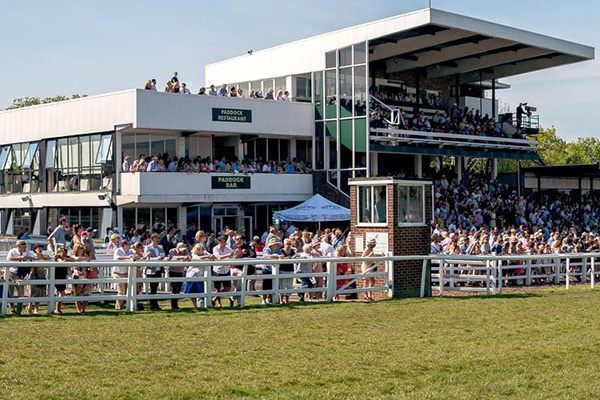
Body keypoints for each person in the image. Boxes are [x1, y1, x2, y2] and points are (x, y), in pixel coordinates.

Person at [6, 240, 34, 314]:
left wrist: (27, 257)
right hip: (12, 273)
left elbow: (34, 258)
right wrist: (19, 258)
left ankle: (19, 310)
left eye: (25, 246)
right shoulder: (12, 251)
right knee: (10, 292)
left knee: (21, 293)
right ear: (18, 246)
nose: (25, 248)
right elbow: (8, 259)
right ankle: (12, 309)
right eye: (23, 246)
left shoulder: (27, 252)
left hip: (21, 274)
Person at [187, 243, 215, 308]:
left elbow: (211, 255)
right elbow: (197, 259)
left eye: (202, 249)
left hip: (202, 276)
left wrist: (212, 256)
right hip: (193, 275)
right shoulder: (193, 255)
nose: (202, 250)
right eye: (200, 249)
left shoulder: (205, 253)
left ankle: (201, 305)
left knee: (201, 291)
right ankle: (195, 306)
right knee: (193, 292)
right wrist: (207, 257)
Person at [230, 234, 255, 307]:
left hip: (241, 268)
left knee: (240, 285)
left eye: (237, 239)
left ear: (242, 240)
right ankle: (233, 299)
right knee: (234, 286)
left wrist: (244, 259)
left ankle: (237, 301)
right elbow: (230, 255)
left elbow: (253, 255)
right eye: (236, 239)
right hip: (233, 267)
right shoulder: (233, 246)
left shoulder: (247, 247)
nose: (236, 241)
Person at [144, 233, 165, 310]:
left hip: (158, 270)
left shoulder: (160, 248)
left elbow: (163, 255)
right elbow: (147, 259)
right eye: (157, 239)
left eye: (158, 239)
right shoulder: (148, 248)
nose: (158, 240)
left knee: (155, 287)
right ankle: (152, 305)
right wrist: (157, 259)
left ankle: (155, 304)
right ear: (152, 239)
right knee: (152, 288)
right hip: (151, 270)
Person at [113, 239, 135, 311]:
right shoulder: (118, 250)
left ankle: (124, 306)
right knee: (121, 291)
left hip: (126, 273)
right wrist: (128, 257)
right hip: (118, 273)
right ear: (124, 245)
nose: (129, 246)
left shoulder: (130, 251)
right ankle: (118, 307)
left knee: (126, 291)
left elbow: (135, 255)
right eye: (127, 244)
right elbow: (118, 258)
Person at [27, 244, 48, 315]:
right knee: (31, 293)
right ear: (35, 250)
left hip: (41, 275)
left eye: (41, 248)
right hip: (33, 275)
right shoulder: (32, 257)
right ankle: (29, 306)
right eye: (38, 248)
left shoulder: (44, 257)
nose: (40, 249)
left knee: (39, 293)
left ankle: (36, 309)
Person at [168, 242, 190, 310]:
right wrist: (183, 257)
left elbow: (190, 256)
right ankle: (173, 304)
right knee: (174, 288)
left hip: (180, 271)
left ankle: (176, 304)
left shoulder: (185, 251)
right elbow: (173, 257)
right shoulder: (172, 251)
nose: (183, 250)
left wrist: (187, 257)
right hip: (173, 271)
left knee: (179, 288)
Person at [212, 235, 233, 307]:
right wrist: (228, 255)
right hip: (218, 270)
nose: (223, 243)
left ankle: (214, 298)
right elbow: (218, 257)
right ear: (218, 242)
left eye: (224, 242)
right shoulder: (215, 248)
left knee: (227, 288)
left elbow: (232, 256)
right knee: (217, 288)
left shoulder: (228, 248)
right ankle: (219, 303)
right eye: (222, 242)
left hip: (226, 270)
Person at [70, 243, 91, 313]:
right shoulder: (73, 256)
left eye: (83, 248)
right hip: (77, 275)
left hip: (85, 275)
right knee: (77, 292)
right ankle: (79, 309)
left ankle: (83, 309)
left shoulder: (85, 256)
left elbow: (89, 262)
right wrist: (85, 258)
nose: (82, 250)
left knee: (86, 292)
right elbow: (76, 258)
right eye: (81, 248)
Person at [262, 237, 283, 305]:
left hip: (274, 269)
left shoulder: (278, 250)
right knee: (265, 285)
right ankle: (263, 299)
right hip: (267, 269)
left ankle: (268, 299)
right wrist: (276, 256)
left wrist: (280, 256)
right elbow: (267, 255)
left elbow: (282, 255)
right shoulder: (266, 249)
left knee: (272, 285)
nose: (276, 245)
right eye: (275, 244)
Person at [54, 245, 72, 314]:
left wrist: (66, 258)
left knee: (62, 293)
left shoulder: (66, 257)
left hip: (63, 276)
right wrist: (65, 260)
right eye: (63, 252)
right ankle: (57, 309)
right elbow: (60, 262)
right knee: (61, 293)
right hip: (57, 276)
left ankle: (58, 308)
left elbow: (73, 260)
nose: (65, 254)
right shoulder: (57, 257)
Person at [279, 238, 296, 304]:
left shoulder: (292, 251)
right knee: (282, 285)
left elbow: (295, 256)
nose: (288, 245)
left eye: (290, 244)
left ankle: (287, 299)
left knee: (289, 285)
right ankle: (281, 299)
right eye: (287, 244)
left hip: (290, 270)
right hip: (283, 270)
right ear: (284, 244)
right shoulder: (281, 251)